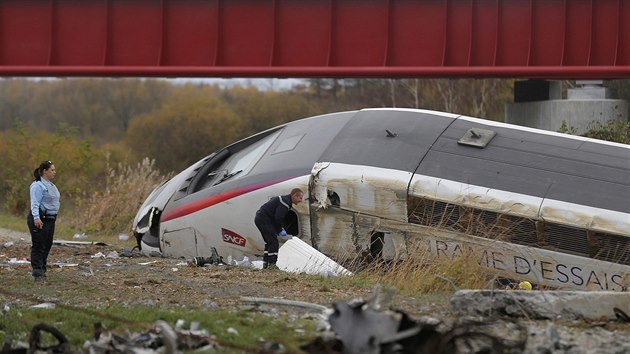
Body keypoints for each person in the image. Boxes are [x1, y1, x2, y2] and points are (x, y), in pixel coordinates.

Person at [27, 160, 60, 282]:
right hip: (41, 218)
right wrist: (36, 217)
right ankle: (37, 272)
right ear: (45, 171)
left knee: (47, 244)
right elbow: (34, 203)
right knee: (39, 245)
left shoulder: (50, 185)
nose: (54, 172)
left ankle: (42, 268)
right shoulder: (38, 185)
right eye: (52, 170)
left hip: (50, 219)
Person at [254, 188, 304, 269]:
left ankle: (265, 264)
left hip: (260, 218)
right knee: (274, 242)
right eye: (300, 198)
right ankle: (272, 264)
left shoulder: (283, 199)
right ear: (294, 196)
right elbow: (278, 218)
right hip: (265, 220)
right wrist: (280, 230)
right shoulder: (285, 203)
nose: (301, 200)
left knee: (269, 242)